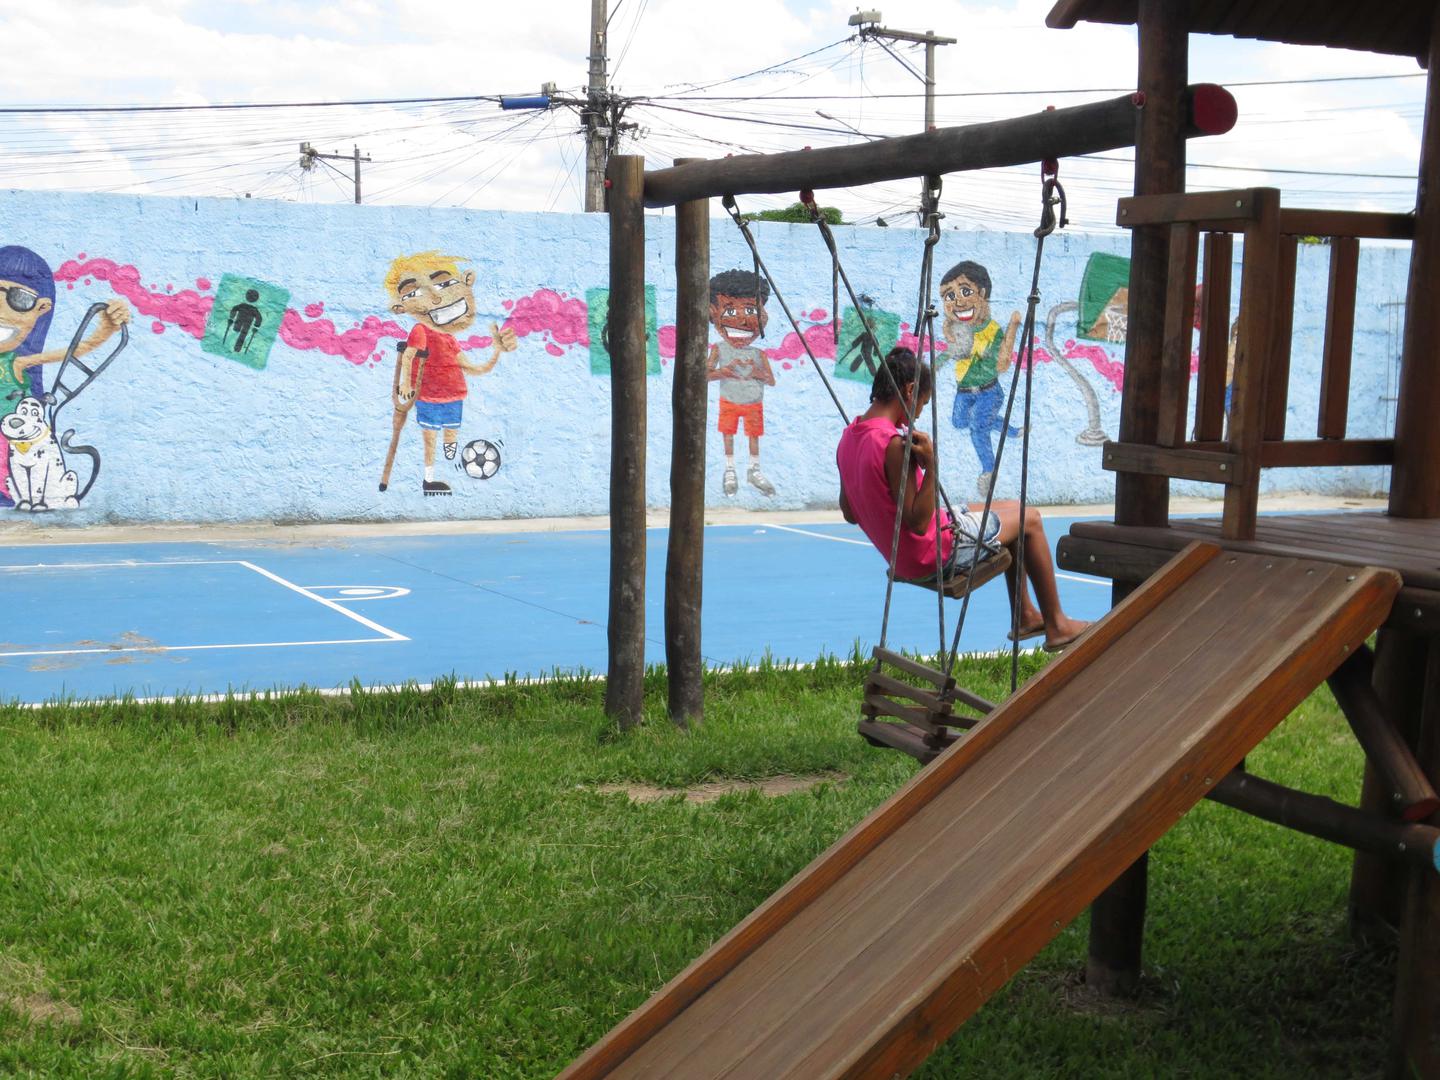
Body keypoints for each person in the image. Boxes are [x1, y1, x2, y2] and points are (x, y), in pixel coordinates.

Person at [836, 346, 1089, 652]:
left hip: (905, 551)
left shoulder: (850, 435)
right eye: (922, 403)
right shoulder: (895, 444)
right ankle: (1058, 625)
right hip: (931, 554)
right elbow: (917, 522)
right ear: (911, 389)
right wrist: (931, 466)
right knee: (1029, 519)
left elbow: (850, 512)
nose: (917, 413)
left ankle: (1025, 615)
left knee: (1011, 508)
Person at [385, 250, 517, 496]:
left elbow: (474, 368)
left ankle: (450, 445)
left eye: (444, 284)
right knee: (429, 439)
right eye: (414, 293)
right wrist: (405, 384)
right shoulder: (420, 331)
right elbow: (409, 355)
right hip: (427, 397)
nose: (435, 298)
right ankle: (429, 478)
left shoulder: (449, 339)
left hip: (453, 395)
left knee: (450, 433)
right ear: (400, 306)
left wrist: (496, 352)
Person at [940, 259, 1024, 498]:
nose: (957, 301)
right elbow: (951, 349)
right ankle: (1009, 428)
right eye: (948, 295)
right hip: (964, 391)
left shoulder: (992, 330)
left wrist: (1013, 328)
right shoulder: (957, 329)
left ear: (983, 294)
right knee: (959, 421)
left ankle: (989, 471)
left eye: (965, 291)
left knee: (978, 428)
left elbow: (1003, 363)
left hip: (989, 391)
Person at [706, 269, 776, 496]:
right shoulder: (718, 349)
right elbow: (705, 375)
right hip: (729, 400)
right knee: (729, 434)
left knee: (753, 436)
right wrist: (724, 372)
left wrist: (757, 372)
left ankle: (753, 469)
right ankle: (729, 468)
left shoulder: (758, 354)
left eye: (751, 310)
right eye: (730, 310)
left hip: (754, 403)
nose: (742, 319)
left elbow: (771, 380)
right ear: (712, 313)